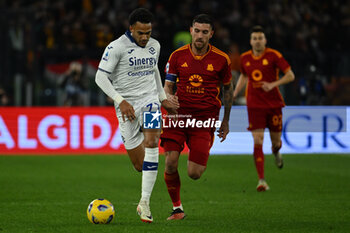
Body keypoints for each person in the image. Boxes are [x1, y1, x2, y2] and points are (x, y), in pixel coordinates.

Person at [95, 8, 178, 223]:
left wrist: (161, 98)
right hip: (126, 106)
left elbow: (154, 71)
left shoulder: (155, 46)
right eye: (140, 33)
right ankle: (145, 193)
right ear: (131, 29)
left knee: (152, 141)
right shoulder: (116, 47)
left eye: (148, 33)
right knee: (140, 165)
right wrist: (120, 100)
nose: (145, 37)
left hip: (149, 101)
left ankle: (144, 203)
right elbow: (100, 78)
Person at [161, 14, 233, 220]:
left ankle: (196, 155)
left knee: (194, 173)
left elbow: (228, 90)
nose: (199, 36)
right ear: (191, 30)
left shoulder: (222, 59)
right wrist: (167, 98)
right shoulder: (177, 56)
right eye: (196, 31)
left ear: (211, 34)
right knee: (170, 162)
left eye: (204, 32)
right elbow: (168, 85)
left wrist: (226, 121)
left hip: (204, 119)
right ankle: (177, 209)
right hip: (178, 115)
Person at [233, 25, 295, 192]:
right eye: (255, 38)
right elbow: (244, 76)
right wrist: (234, 93)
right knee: (258, 139)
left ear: (265, 40)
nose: (258, 41)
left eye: (260, 38)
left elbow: (290, 75)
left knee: (276, 142)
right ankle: (261, 180)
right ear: (251, 41)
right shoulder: (245, 58)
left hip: (274, 104)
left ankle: (276, 152)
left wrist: (273, 84)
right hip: (254, 104)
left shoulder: (274, 55)